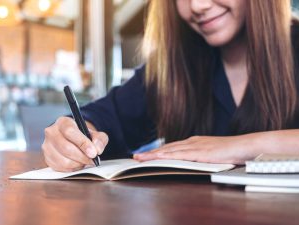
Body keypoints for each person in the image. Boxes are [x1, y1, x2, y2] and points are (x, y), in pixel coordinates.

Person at [42, 0, 299, 172]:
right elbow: (103, 118)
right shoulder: (173, 66)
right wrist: (71, 135)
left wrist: (242, 147)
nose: (197, 5)